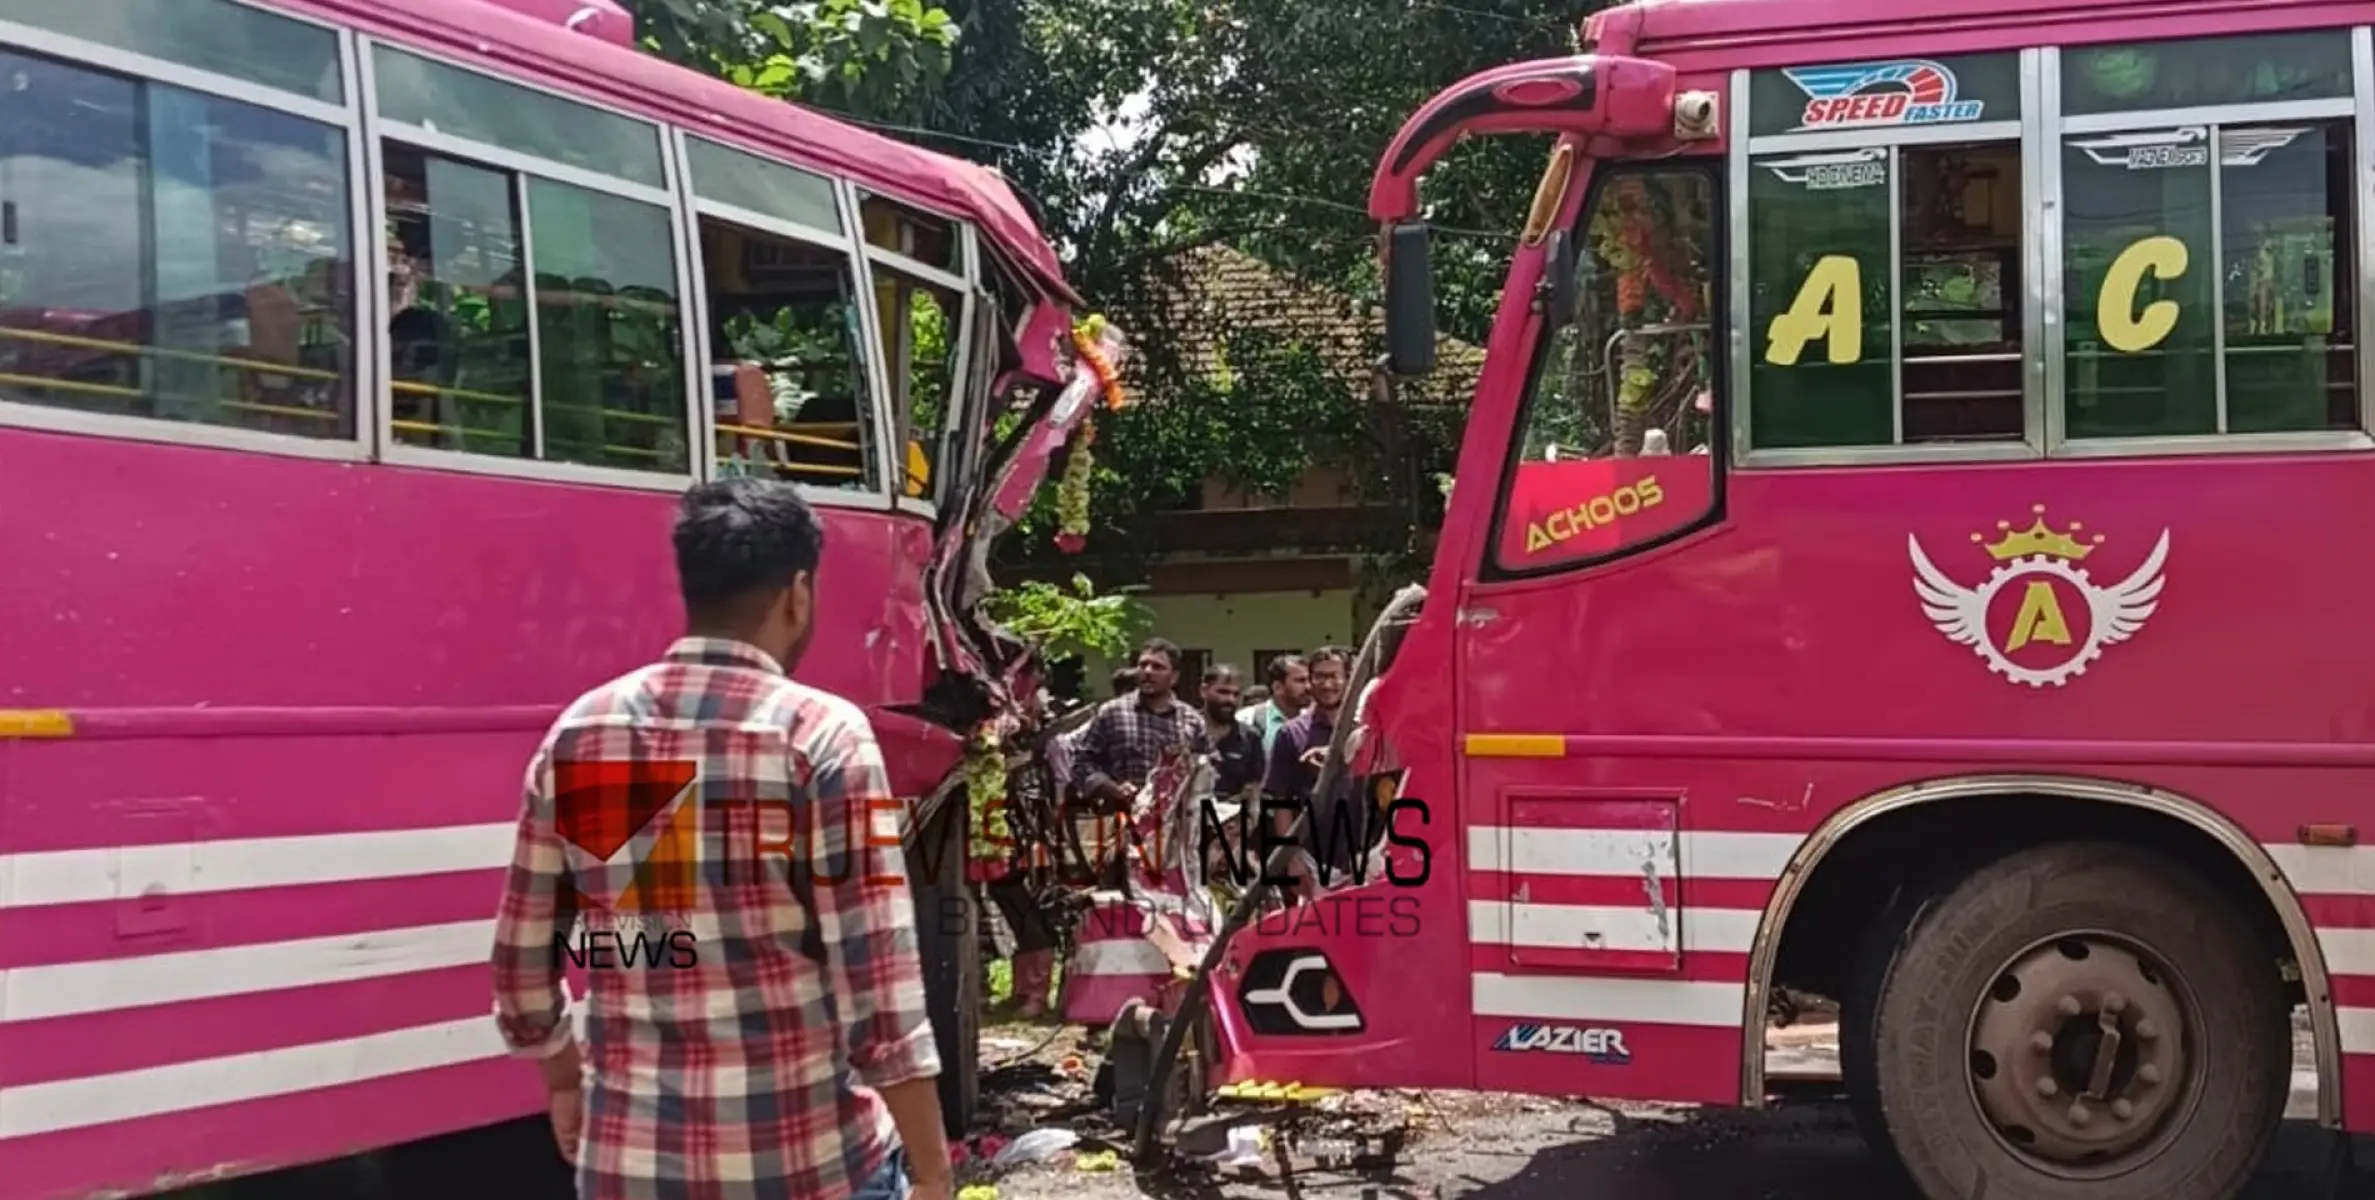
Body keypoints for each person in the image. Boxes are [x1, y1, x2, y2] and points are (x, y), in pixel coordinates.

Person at [491, 477, 953, 1200]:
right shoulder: (818, 737)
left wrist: (562, 1079)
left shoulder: (587, 732)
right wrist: (934, 1173)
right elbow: (879, 995)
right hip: (807, 1169)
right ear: (797, 593)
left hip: (630, 1169)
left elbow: (525, 970)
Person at [1070, 637, 1211, 816]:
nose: (1147, 672)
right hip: (1121, 821)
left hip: (1173, 826)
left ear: (1174, 677)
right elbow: (1082, 763)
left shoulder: (1191, 721)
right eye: (1143, 665)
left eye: (1157, 667)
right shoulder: (1112, 713)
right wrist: (1110, 787)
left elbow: (1206, 773)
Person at [1239, 655, 1310, 756]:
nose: (1308, 687)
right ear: (1278, 687)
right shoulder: (1248, 718)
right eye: (1300, 681)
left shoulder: (1312, 720)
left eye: (1309, 680)